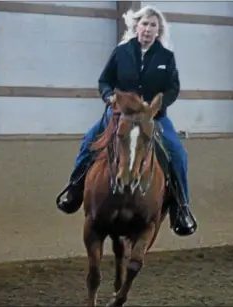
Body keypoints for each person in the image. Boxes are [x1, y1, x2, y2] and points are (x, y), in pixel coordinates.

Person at [56, 5, 197, 236]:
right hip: (120, 114)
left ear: (158, 30)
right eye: (144, 24)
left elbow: (173, 88)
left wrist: (157, 105)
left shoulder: (165, 57)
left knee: (178, 153)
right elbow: (104, 81)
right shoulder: (121, 52)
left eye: (153, 25)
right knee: (89, 141)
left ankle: (182, 208)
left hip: (153, 117)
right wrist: (109, 96)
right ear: (136, 26)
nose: (148, 29)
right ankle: (74, 188)